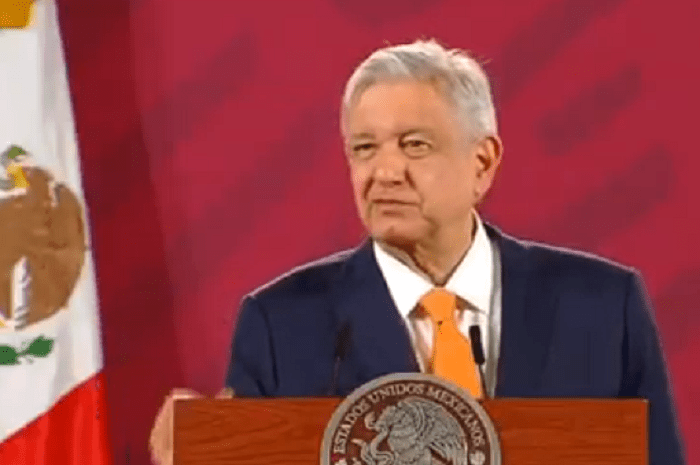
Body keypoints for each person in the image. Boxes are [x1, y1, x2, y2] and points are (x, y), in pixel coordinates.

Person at [149, 39, 685, 465]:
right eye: (364, 148)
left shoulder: (602, 306)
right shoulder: (282, 324)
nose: (384, 172)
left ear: (482, 163)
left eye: (414, 145)